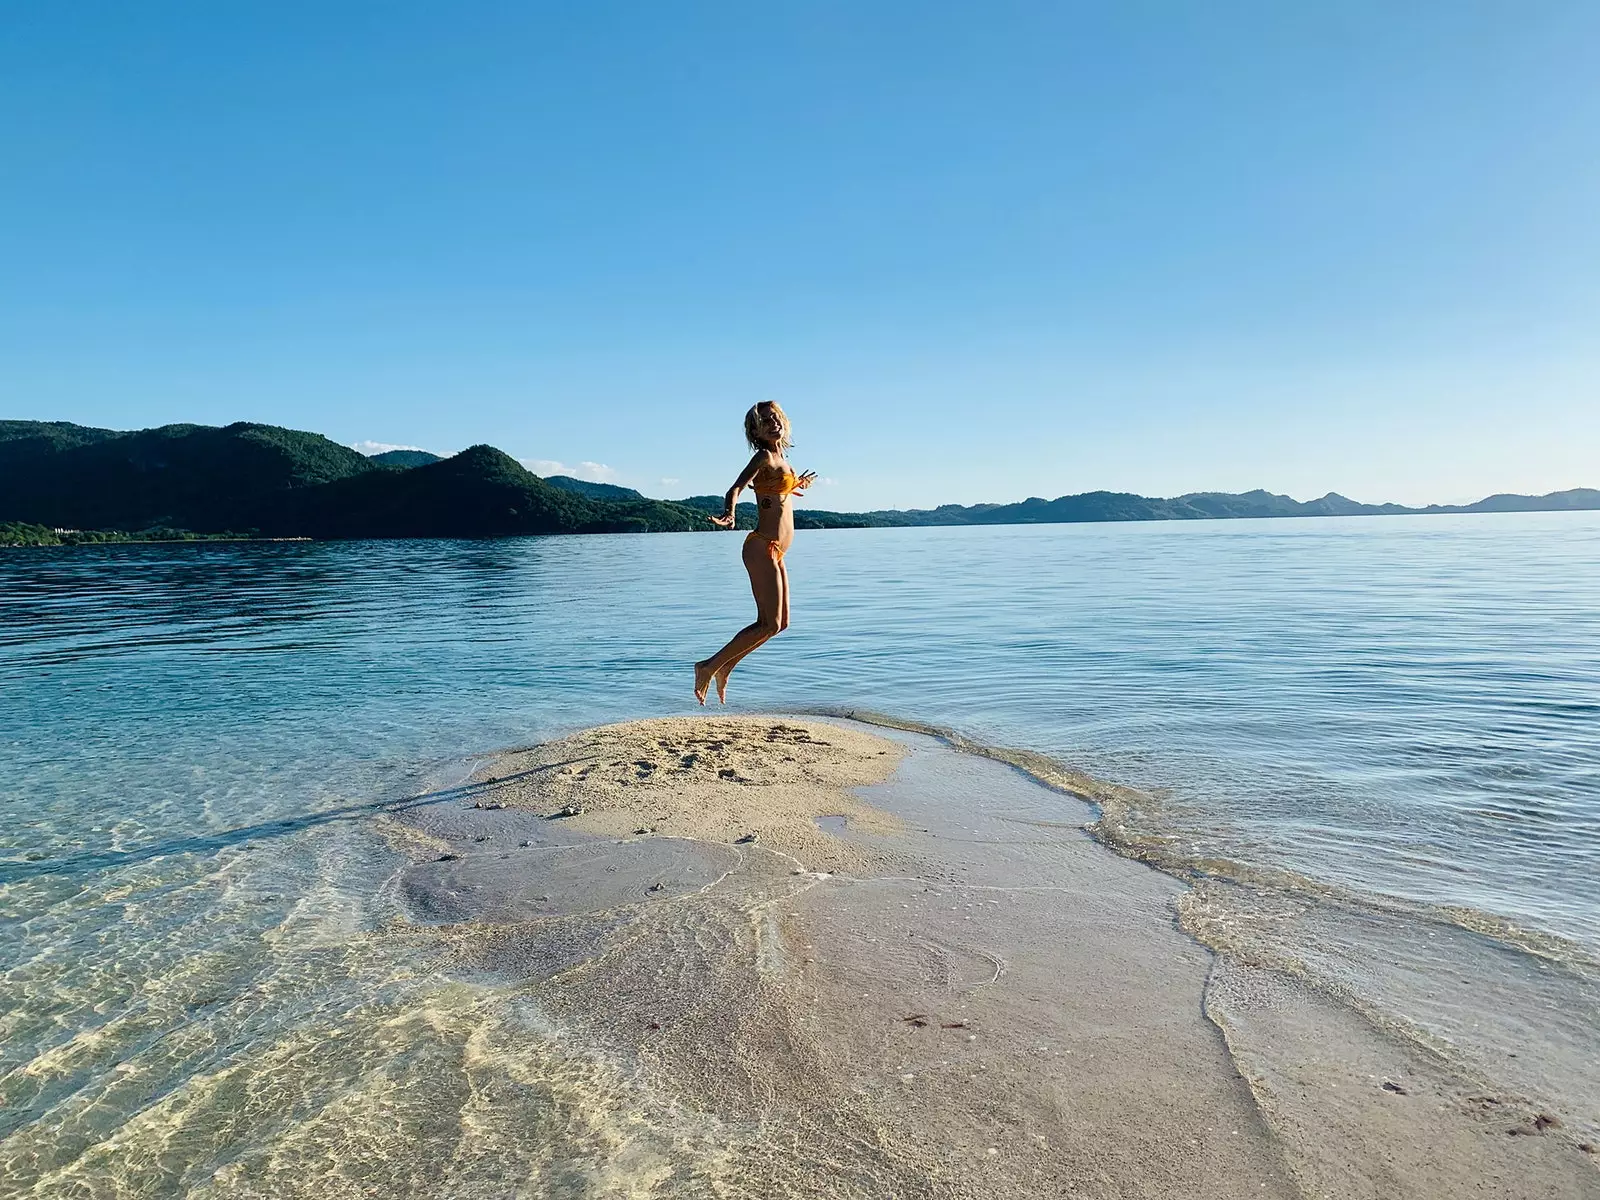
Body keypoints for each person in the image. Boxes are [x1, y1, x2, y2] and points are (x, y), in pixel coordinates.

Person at [694, 401, 817, 704]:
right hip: (761, 546)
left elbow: (774, 492)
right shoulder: (763, 456)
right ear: (755, 430)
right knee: (769, 623)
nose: (773, 423)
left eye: (775, 418)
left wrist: (796, 483)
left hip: (777, 551)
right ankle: (707, 667)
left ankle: (724, 669)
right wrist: (729, 514)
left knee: (780, 624)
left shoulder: (783, 459)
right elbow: (734, 489)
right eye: (765, 421)